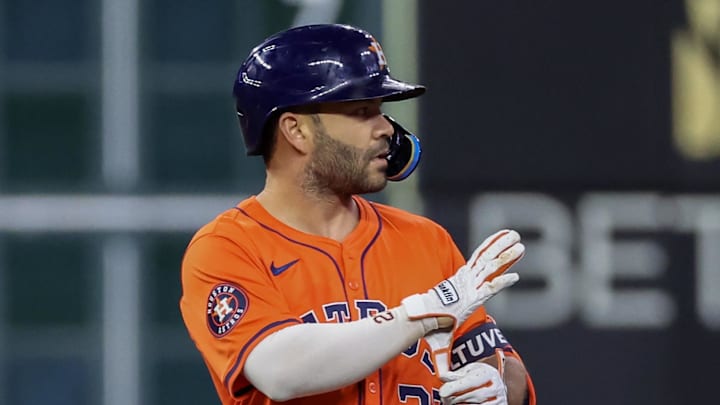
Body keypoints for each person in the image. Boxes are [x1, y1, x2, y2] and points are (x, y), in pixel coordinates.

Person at [180, 24, 537, 405]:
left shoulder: (424, 240)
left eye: (380, 111)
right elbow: (280, 372)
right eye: (361, 111)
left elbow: (500, 363)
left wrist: (495, 383)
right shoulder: (227, 248)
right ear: (296, 130)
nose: (385, 128)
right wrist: (421, 313)